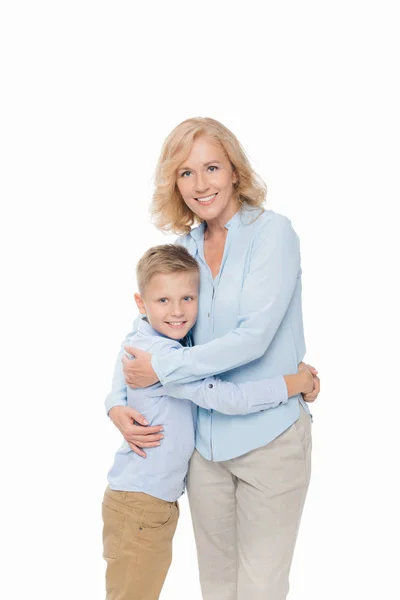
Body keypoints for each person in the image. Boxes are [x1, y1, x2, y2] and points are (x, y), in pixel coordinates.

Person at [107, 117, 320, 600]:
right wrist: (116, 402)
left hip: (271, 439)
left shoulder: (273, 234)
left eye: (211, 168)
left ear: (235, 172)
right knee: (217, 588)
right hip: (204, 449)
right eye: (186, 173)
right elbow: (143, 338)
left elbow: (254, 339)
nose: (201, 184)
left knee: (261, 589)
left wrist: (162, 370)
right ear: (175, 184)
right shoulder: (182, 251)